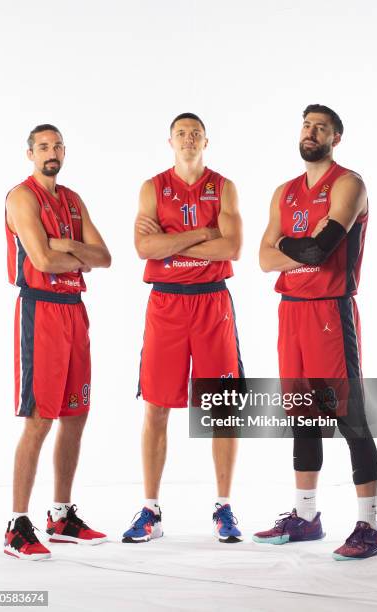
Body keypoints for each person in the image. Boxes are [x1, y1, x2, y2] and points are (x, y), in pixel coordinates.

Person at [254, 104, 377, 560]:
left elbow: (320, 249)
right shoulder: (284, 192)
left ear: (336, 138)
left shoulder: (349, 184)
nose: (311, 133)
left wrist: (292, 246)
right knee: (302, 418)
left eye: (321, 128)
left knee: (350, 419)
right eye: (307, 126)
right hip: (290, 313)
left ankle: (370, 526)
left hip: (331, 312)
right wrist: (300, 247)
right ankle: (306, 517)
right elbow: (263, 258)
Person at [123, 112, 244, 544]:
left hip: (212, 303)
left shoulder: (223, 186)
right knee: (156, 405)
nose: (188, 138)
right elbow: (143, 247)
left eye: (195, 133)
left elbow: (232, 246)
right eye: (181, 133)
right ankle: (150, 510)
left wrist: (172, 239)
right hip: (167, 304)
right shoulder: (152, 187)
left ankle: (224, 507)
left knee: (223, 406)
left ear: (206, 141)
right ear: (170, 141)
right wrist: (201, 232)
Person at [4, 124, 111, 560]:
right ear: (30, 153)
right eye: (43, 146)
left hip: (74, 309)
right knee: (38, 418)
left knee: (75, 414)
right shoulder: (21, 196)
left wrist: (65, 243)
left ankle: (61, 516)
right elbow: (42, 260)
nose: (52, 151)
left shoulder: (72, 199)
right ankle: (17, 525)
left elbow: (104, 256)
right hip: (41, 310)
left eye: (57, 145)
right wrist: (70, 253)